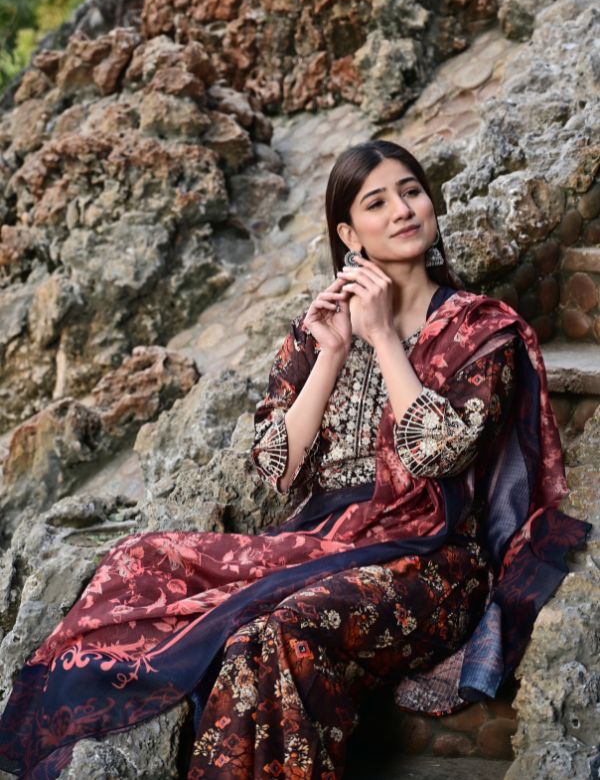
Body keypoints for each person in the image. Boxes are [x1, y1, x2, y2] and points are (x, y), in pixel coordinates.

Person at [0, 141, 590, 779]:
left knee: (274, 634)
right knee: (137, 560)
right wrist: (331, 352)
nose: (402, 210)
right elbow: (277, 469)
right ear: (348, 234)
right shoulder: (318, 329)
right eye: (377, 202)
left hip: (435, 560)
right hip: (323, 538)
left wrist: (383, 337)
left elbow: (437, 454)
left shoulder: (481, 330)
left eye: (412, 191)